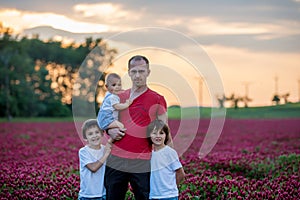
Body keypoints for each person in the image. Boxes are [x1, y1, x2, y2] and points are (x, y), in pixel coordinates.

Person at [104, 55, 171, 200]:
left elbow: (165, 130)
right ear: (128, 72)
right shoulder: (118, 96)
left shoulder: (157, 99)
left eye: (141, 71)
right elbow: (103, 119)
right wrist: (110, 130)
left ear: (148, 72)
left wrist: (170, 160)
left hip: (143, 160)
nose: (137, 75)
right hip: (116, 159)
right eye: (134, 71)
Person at [146, 119, 185, 200]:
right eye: (154, 133)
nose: (158, 136)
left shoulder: (170, 153)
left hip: (169, 196)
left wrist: (172, 187)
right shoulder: (149, 153)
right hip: (154, 195)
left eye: (161, 133)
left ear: (166, 135)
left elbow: (180, 173)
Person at [78, 119, 112, 200]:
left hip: (102, 194)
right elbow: (93, 168)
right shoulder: (83, 151)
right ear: (85, 138)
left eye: (97, 132)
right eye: (90, 134)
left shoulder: (104, 149)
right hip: (87, 195)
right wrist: (106, 154)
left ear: (102, 133)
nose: (94, 136)